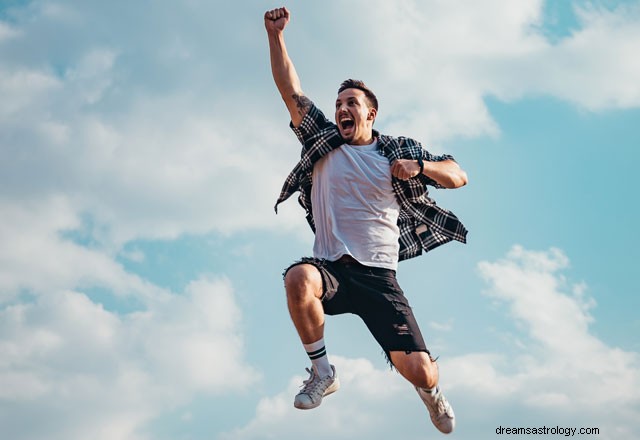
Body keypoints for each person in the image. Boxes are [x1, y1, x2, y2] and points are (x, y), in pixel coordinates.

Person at [265, 6, 468, 434]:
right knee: (298, 278)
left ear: (370, 114)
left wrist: (420, 166)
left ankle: (431, 394)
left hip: (378, 277)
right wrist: (276, 36)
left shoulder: (394, 150)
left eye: (351, 103)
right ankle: (323, 372)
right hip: (331, 268)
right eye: (338, 103)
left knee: (422, 371)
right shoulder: (322, 139)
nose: (341, 108)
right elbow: (290, 91)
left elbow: (458, 174)